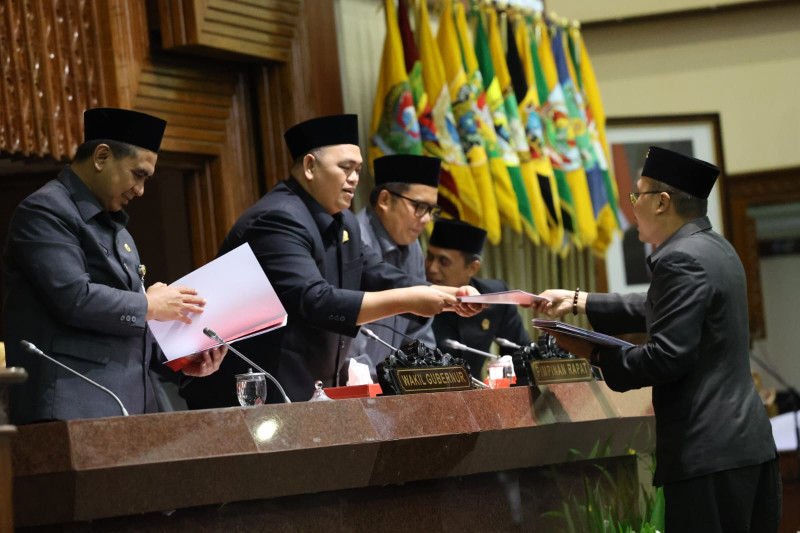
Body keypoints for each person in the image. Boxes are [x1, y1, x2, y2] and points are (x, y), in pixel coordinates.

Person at [532, 146, 781, 532]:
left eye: (637, 194)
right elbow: (661, 305)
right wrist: (580, 301)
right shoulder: (715, 247)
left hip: (706, 454)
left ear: (662, 202)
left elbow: (667, 357)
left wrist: (594, 354)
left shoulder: (680, 258)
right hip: (747, 448)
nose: (632, 205)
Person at [180, 115, 482, 406]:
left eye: (358, 170)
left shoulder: (345, 222)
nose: (354, 180)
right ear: (310, 166)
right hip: (253, 393)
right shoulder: (277, 218)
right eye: (345, 168)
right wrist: (408, 300)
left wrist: (448, 294)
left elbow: (374, 271)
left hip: (308, 392)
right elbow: (315, 301)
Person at [3, 108, 227, 424]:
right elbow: (75, 299)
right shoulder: (44, 212)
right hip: (75, 407)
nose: (141, 190)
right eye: (138, 174)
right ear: (102, 157)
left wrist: (179, 361)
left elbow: (125, 324)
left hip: (133, 406)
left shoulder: (119, 231)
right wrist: (149, 304)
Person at [347, 154, 440, 376]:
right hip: (355, 383)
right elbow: (348, 337)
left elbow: (419, 330)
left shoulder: (413, 247)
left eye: (431, 210)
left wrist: (426, 377)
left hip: (392, 388)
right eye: (419, 206)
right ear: (385, 200)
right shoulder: (352, 241)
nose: (426, 219)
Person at [426, 219, 530, 378]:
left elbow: (519, 351)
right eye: (430, 257)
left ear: (472, 268)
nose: (432, 268)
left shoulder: (494, 296)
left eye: (444, 261)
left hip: (476, 398)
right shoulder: (414, 295)